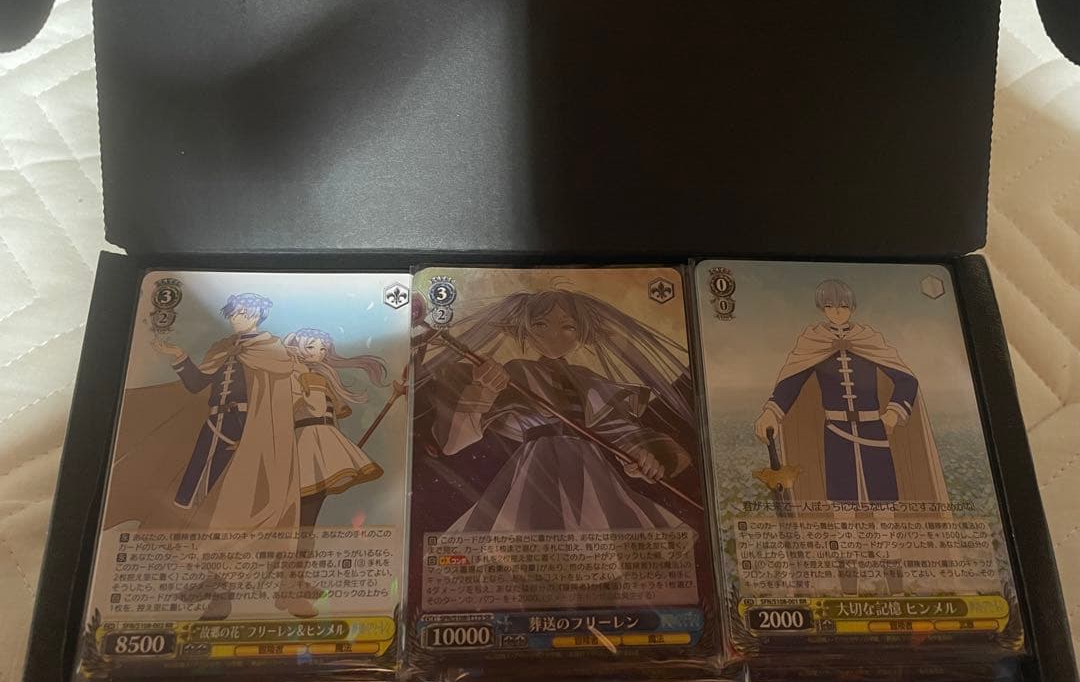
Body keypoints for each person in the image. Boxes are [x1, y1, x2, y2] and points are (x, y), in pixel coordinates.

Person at [421, 289, 695, 533]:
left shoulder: (592, 381)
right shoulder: (517, 372)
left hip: (591, 472)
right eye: (540, 324)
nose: (554, 335)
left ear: (581, 333)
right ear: (525, 329)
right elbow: (454, 443)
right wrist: (484, 390)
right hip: (537, 470)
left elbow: (625, 434)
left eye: (568, 327)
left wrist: (643, 459)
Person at [106, 292, 307, 617]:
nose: (238, 317)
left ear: (258, 315)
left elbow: (284, 398)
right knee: (196, 505)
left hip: (250, 434)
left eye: (244, 312)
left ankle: (222, 592)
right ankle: (207, 579)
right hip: (212, 429)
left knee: (234, 510)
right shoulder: (223, 347)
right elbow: (197, 384)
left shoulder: (273, 351)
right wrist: (179, 356)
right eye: (234, 312)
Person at [753, 279, 948, 505]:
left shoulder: (869, 340)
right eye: (830, 305)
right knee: (842, 501)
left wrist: (893, 414)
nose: (837, 311)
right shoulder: (813, 341)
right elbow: (791, 383)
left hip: (874, 428)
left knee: (883, 499)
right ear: (822, 308)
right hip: (836, 431)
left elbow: (906, 379)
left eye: (843, 306)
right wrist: (771, 413)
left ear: (852, 307)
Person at [283, 328, 390, 528]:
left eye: (323, 349)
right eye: (311, 347)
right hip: (304, 440)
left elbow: (330, 415)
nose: (318, 353)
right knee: (306, 496)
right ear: (297, 347)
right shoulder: (292, 374)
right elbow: (315, 409)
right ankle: (300, 536)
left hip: (326, 439)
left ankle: (305, 536)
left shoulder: (317, 375)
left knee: (315, 498)